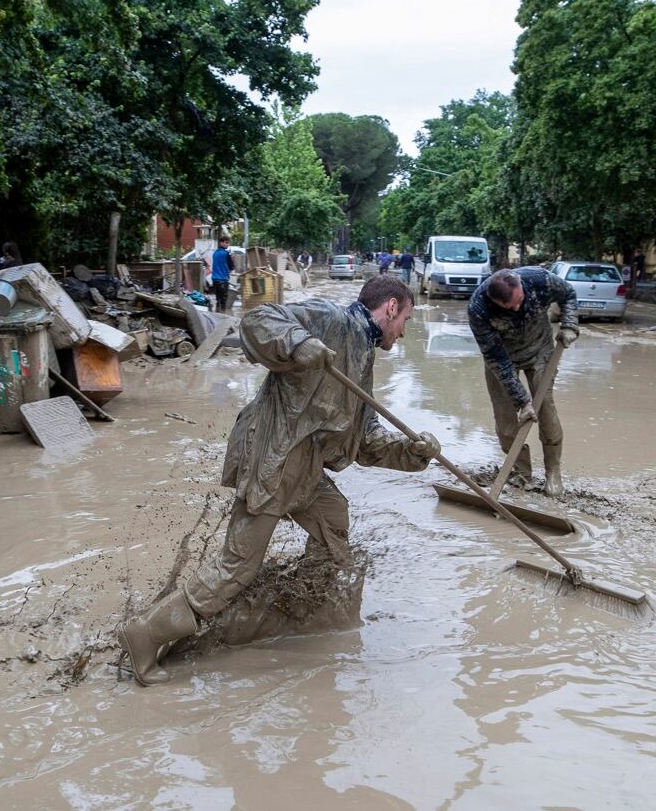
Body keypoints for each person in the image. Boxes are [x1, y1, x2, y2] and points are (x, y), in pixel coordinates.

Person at [118, 275, 440, 686]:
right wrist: (298, 344)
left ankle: (298, 609)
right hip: (273, 459)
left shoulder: (362, 354)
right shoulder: (331, 319)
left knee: (333, 520)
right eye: (406, 319)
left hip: (303, 468)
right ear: (391, 307)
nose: (405, 331)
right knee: (238, 566)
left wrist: (413, 453)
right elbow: (257, 320)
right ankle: (146, 635)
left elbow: (364, 440)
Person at [468, 267, 578, 497]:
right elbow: (498, 361)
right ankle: (521, 473)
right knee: (506, 421)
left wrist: (569, 324)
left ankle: (553, 472)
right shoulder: (479, 309)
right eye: (510, 307)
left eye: (520, 301)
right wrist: (522, 402)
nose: (517, 308)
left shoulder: (539, 280)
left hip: (540, 351)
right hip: (502, 357)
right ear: (495, 301)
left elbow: (568, 293)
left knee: (545, 407)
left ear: (521, 286)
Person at [210, 235, 233, 313]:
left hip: (214, 278)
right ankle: (223, 314)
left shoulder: (215, 253)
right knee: (223, 298)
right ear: (221, 243)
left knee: (218, 298)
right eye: (226, 243)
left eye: (228, 243)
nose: (227, 245)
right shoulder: (226, 254)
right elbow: (232, 267)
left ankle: (217, 312)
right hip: (223, 279)